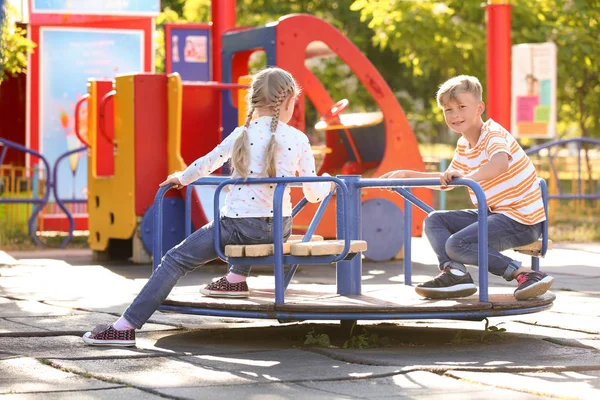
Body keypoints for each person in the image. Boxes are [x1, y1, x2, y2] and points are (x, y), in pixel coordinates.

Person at [83, 67, 332, 347]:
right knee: (254, 222)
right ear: (288, 102)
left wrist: (181, 177)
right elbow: (313, 195)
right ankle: (236, 278)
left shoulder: (241, 135)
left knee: (175, 261)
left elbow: (208, 162)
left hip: (237, 227)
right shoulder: (298, 139)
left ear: (253, 101)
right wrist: (328, 183)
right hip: (278, 228)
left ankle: (124, 327)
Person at [380, 75, 554, 301]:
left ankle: (525, 274)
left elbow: (499, 164)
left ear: (479, 107)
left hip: (522, 220)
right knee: (435, 220)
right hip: (495, 214)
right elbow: (450, 181)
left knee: (457, 244)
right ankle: (455, 273)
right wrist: (407, 176)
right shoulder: (464, 144)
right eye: (448, 110)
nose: (455, 115)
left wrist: (468, 177)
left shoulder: (493, 134)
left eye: (462, 106)